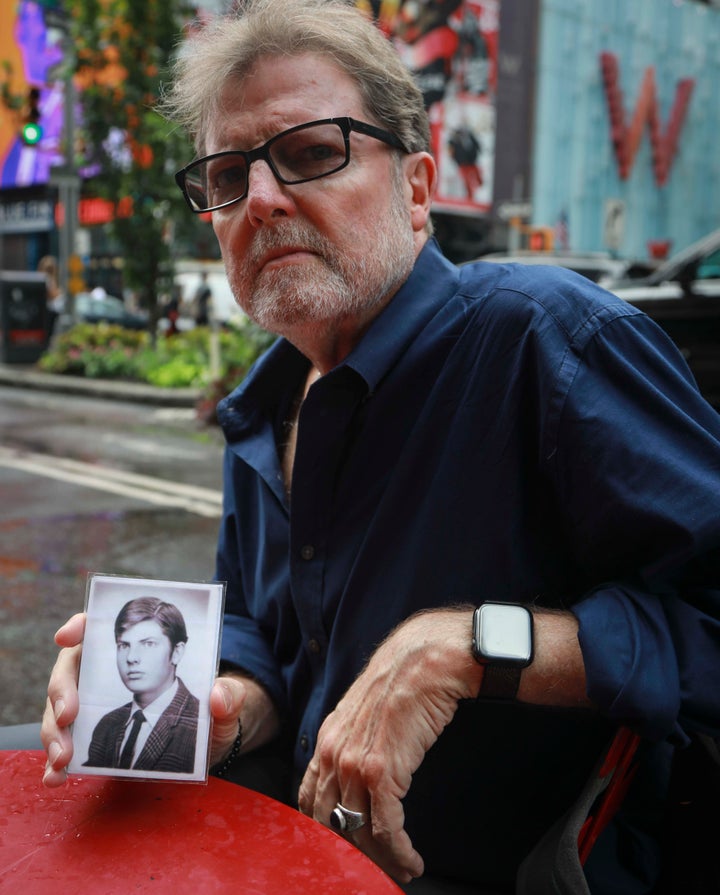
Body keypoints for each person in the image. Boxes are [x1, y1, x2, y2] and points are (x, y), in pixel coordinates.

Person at [41, 2, 720, 893]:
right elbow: (267, 634)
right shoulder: (266, 399)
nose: (262, 199)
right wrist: (220, 707)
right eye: (227, 174)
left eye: (313, 152)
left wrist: (465, 646)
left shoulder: (547, 340)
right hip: (284, 845)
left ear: (416, 187)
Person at [83, 597, 199, 774]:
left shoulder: (199, 727)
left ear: (177, 652)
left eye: (148, 644)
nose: (131, 658)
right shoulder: (108, 724)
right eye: (123, 645)